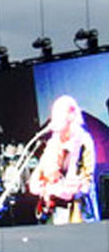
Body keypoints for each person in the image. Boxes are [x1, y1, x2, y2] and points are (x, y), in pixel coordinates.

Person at [28, 95, 97, 225]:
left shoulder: (83, 141)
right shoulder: (52, 143)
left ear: (71, 115)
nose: (53, 119)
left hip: (76, 215)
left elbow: (85, 185)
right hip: (53, 215)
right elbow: (34, 182)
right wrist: (44, 188)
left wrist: (57, 189)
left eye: (58, 114)